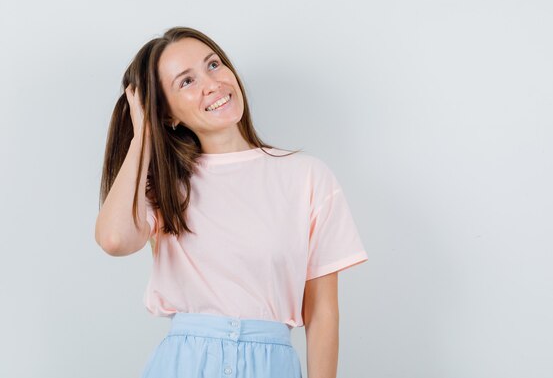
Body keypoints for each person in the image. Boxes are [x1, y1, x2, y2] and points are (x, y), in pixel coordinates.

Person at [94, 26, 369, 378]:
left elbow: (323, 312)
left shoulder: (308, 177)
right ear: (167, 115)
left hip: (272, 365)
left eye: (213, 65)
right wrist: (143, 135)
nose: (212, 84)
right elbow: (114, 239)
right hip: (184, 363)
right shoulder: (165, 188)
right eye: (186, 82)